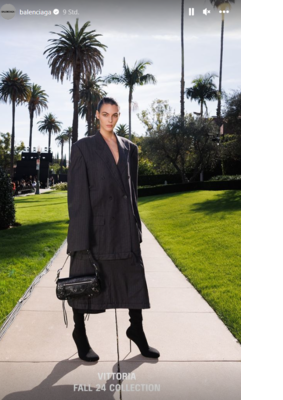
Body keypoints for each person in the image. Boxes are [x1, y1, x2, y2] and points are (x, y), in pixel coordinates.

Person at [66, 97, 160, 362]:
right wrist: (79, 239)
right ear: (97, 115)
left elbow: (132, 192)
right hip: (97, 231)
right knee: (83, 282)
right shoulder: (83, 148)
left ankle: (136, 329)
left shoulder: (130, 148)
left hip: (124, 228)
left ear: (118, 116)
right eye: (105, 114)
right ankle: (80, 334)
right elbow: (77, 197)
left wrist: (135, 226)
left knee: (133, 279)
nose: (110, 119)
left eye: (115, 114)